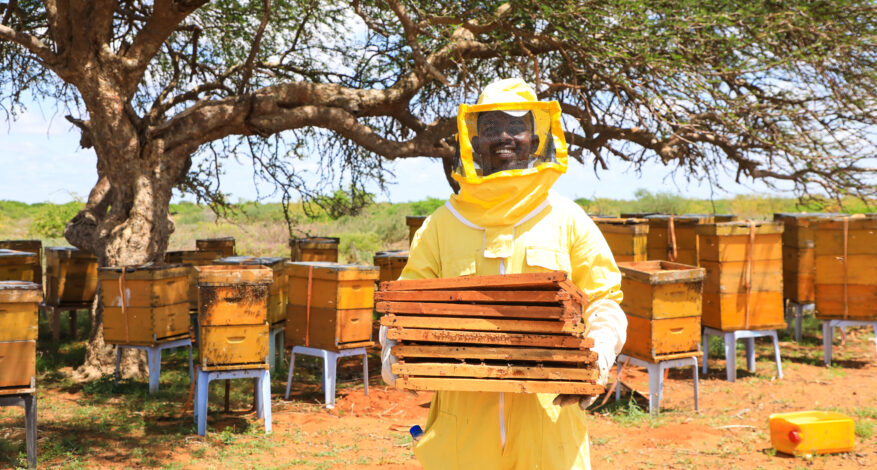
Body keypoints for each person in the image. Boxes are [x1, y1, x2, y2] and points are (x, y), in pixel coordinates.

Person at [380, 78, 627, 470]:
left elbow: (605, 301)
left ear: (536, 136)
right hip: (461, 433)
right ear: (474, 140)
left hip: (548, 427)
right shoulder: (442, 224)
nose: (504, 138)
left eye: (516, 127)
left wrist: (599, 354)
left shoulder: (566, 218)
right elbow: (405, 308)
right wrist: (393, 349)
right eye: (491, 128)